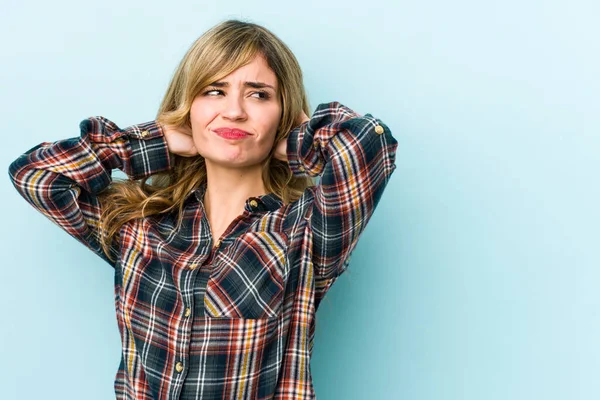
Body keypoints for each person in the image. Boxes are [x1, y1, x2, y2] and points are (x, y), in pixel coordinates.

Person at [8, 19, 398, 400]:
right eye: (214, 91)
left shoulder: (306, 232)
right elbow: (35, 175)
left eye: (258, 94)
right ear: (188, 106)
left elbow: (367, 145)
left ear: (283, 113)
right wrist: (151, 143)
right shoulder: (139, 225)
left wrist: (298, 143)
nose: (234, 112)